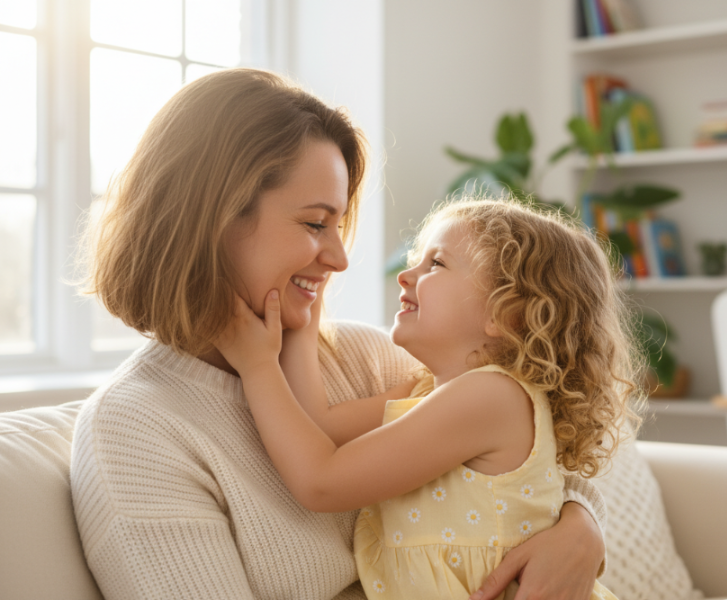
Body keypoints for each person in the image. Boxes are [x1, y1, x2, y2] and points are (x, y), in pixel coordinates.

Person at [70, 68, 611, 600]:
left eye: (338, 224)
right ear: (213, 218)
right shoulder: (134, 432)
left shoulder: (375, 359)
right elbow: (321, 443)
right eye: (313, 224)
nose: (341, 258)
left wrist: (581, 526)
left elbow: (538, 464)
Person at [215, 197, 640, 599]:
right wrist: (305, 306)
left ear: (503, 313)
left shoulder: (492, 398)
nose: (406, 273)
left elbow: (321, 482)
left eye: (435, 263)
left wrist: (257, 367)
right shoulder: (425, 390)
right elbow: (315, 426)